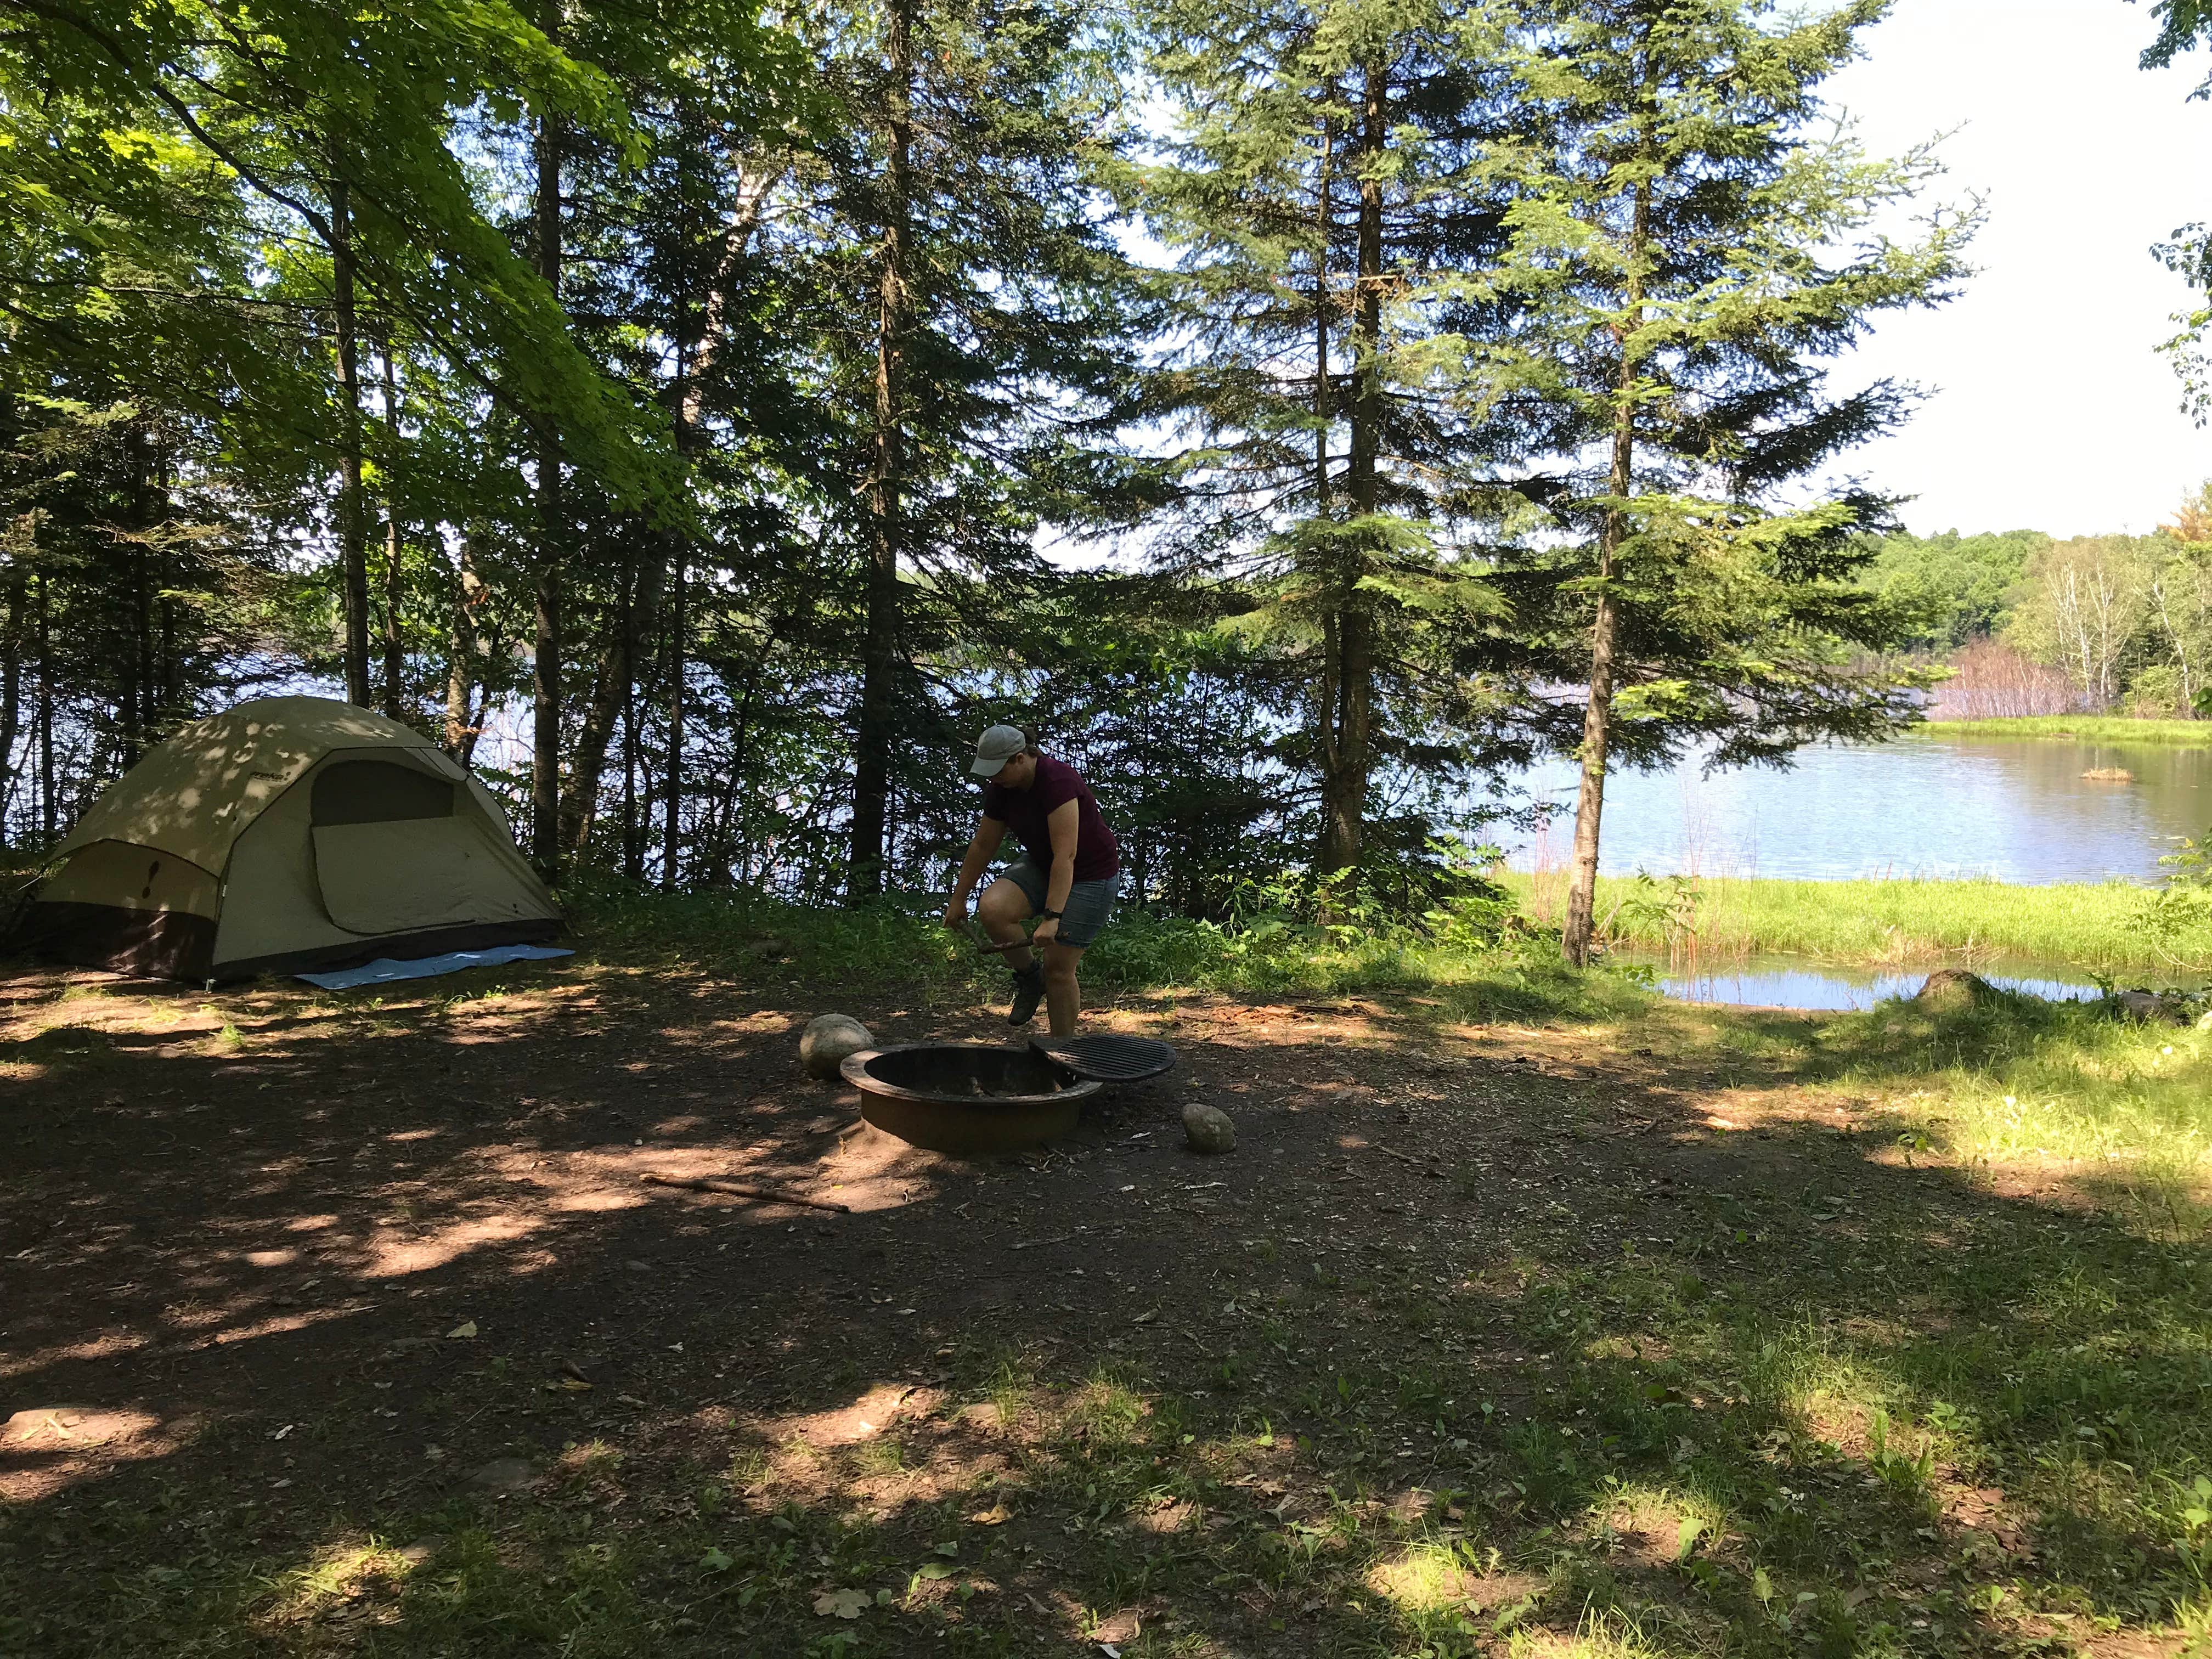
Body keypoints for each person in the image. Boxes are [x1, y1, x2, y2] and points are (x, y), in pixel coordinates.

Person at [941, 724, 1119, 1034]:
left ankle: (1061, 1053)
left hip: (1090, 875)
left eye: (998, 770)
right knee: (994, 909)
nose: (993, 779)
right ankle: (1029, 978)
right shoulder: (1002, 789)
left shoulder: (1057, 782)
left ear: (1020, 758)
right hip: (1042, 864)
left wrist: (1052, 917)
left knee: (1059, 970)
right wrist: (958, 899)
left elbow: (1067, 856)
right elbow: (983, 845)